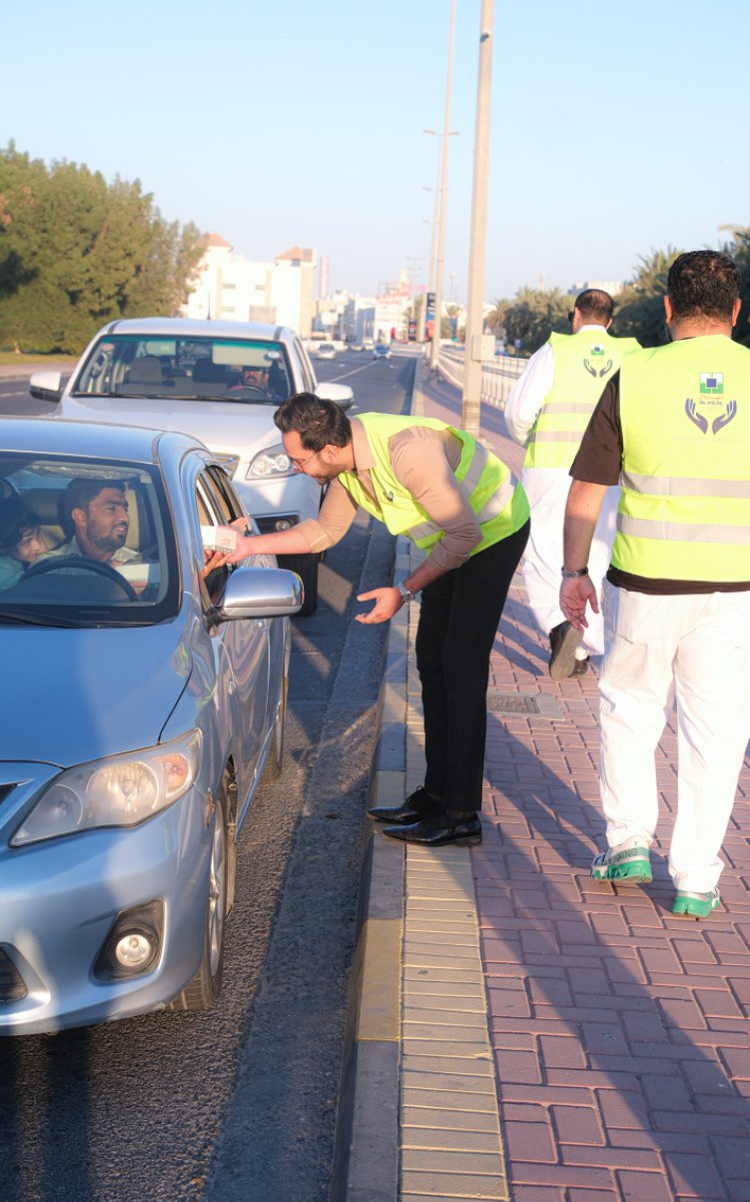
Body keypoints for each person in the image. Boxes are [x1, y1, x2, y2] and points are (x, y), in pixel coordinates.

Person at [209, 392, 530, 847]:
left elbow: (466, 534)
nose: (295, 468)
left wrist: (403, 590)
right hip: (453, 538)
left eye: (298, 460)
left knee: (460, 667)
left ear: (330, 448)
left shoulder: (407, 453)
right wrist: (245, 547)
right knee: (432, 662)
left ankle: (460, 813)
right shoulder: (349, 465)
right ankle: (435, 795)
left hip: (492, 531)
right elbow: (324, 531)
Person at [560, 249, 750, 919]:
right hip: (733, 590)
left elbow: (587, 489)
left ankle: (628, 840)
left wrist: (573, 571)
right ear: (735, 311)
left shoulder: (632, 374)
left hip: (644, 582)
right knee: (718, 732)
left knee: (631, 709)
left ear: (667, 309)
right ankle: (697, 877)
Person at [505, 290, 640, 679]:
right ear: (610, 322)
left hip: (550, 467)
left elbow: (518, 413)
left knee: (542, 550)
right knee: (598, 554)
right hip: (610, 473)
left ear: (576, 315)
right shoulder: (631, 355)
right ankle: (586, 641)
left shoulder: (553, 352)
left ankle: (559, 622)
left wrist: (528, 440)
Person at [46, 479, 140, 567]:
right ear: (80, 517)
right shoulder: (49, 567)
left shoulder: (140, 567)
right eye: (111, 508)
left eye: (125, 509)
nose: (125, 517)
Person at [0, 496, 50, 589]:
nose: (37, 546)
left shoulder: (12, 561)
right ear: (3, 546)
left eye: (37, 536)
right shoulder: (7, 579)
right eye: (27, 541)